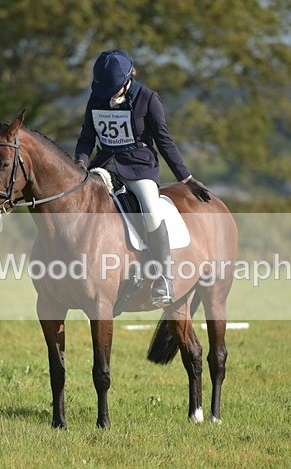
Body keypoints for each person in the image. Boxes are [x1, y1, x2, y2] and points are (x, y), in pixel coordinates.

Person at [75, 49, 211, 306]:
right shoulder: (96, 97)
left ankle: (164, 278)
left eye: (113, 88)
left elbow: (164, 141)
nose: (108, 94)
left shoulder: (148, 99)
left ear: (129, 78)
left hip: (139, 168)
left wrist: (186, 178)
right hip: (103, 166)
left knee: (151, 210)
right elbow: (86, 137)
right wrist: (80, 163)